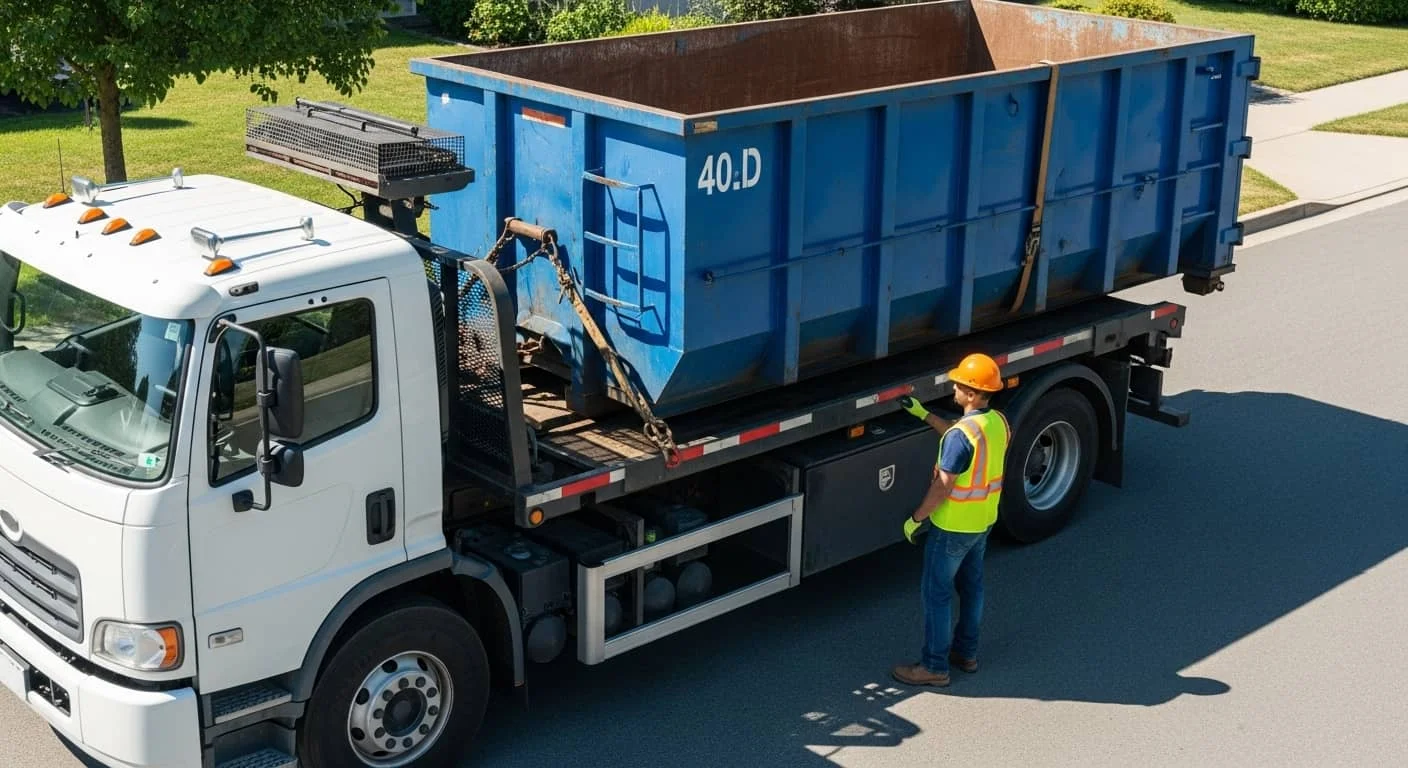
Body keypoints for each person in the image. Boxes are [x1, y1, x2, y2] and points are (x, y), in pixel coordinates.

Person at [891, 353, 1010, 687]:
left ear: (972, 394)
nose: (953, 388)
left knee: (937, 594)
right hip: (983, 523)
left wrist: (916, 518)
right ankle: (966, 654)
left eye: (959, 385)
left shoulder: (962, 436)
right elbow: (960, 437)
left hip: (952, 529)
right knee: (972, 589)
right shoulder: (997, 422)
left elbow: (943, 486)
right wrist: (924, 414)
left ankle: (933, 667)